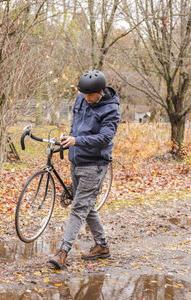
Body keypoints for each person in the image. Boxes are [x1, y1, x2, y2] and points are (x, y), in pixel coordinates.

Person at [48, 70, 120, 269]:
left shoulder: (111, 110)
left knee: (78, 208)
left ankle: (62, 251)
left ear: (101, 91)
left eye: (90, 95)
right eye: (84, 94)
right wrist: (68, 139)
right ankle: (102, 246)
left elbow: (105, 137)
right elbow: (76, 124)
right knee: (86, 205)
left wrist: (77, 140)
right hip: (76, 161)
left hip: (95, 165)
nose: (87, 99)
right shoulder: (81, 99)